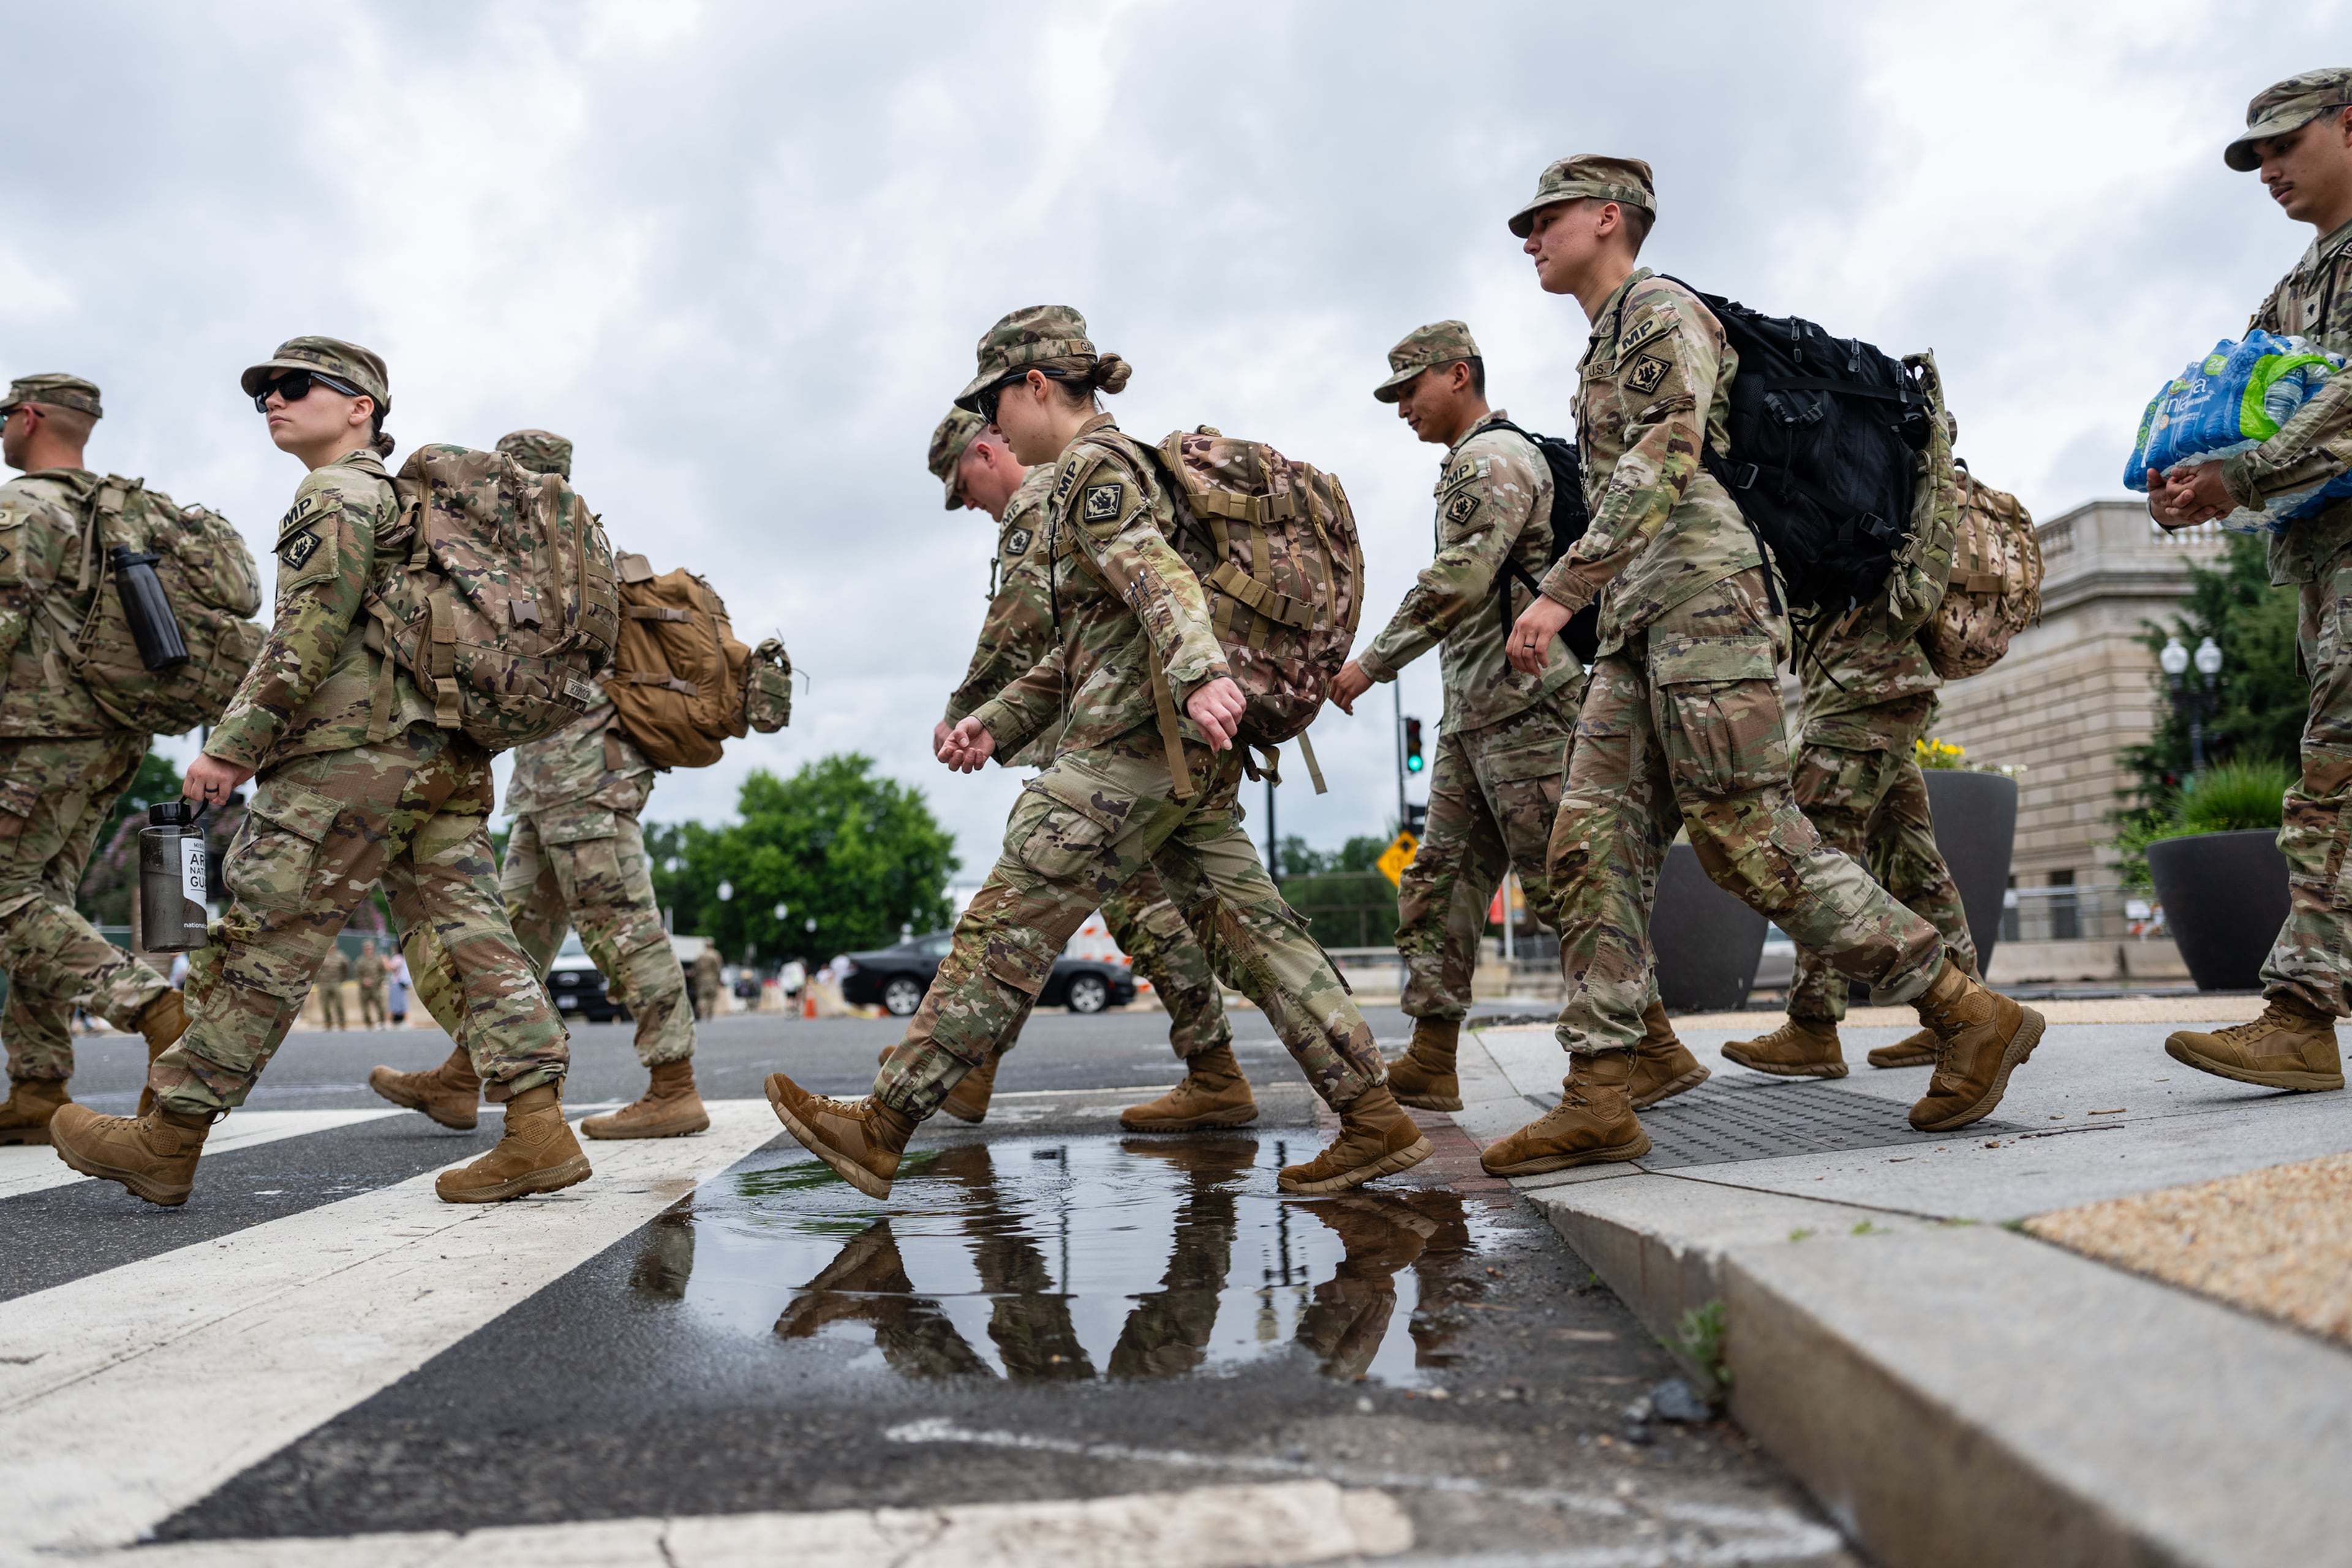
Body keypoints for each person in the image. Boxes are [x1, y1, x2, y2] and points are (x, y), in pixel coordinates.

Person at [766, 306, 1422, 1200]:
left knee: (1003, 926)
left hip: (1126, 754)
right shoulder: (1109, 469)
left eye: (997, 404)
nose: (992, 427)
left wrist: (1197, 671)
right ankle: (1375, 1117)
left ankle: (881, 1128)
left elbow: (1157, 573)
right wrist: (995, 720)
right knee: (1260, 936)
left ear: (1038, 386)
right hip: (1176, 757)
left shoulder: (1092, 468)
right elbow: (1081, 650)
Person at [1486, 157, 2045, 1175]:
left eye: (1546, 218)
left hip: (1705, 605)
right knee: (1586, 843)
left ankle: (1966, 1011)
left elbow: (1666, 452)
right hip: (1640, 620)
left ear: (1609, 219)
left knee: (1751, 837)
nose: (1528, 235)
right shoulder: (1605, 338)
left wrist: (1562, 588)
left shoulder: (1659, 311)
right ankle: (1602, 1090)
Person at [47, 337, 584, 1207]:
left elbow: (307, 632)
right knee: (475, 933)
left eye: (297, 387)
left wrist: (233, 744)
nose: (274, 401)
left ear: (361, 406)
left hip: (353, 759)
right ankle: (537, 1127)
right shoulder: (409, 505)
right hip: (442, 754)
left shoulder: (334, 492)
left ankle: (168, 1136)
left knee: (269, 933)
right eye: (265, 391)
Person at [1330, 321, 1706, 1115]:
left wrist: (1371, 663)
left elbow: (1460, 579)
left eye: (1410, 388)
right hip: (1477, 714)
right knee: (1440, 884)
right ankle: (1433, 1057)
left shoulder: (1491, 460)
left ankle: (1658, 1048)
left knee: (1572, 884)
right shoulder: (1469, 463)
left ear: (1458, 375)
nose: (1402, 407)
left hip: (1529, 711)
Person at [371, 429, 706, 1141]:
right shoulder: (550, 547)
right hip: (545, 782)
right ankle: (465, 1076)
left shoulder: (555, 549)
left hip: (587, 781)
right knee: (514, 929)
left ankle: (673, 1084)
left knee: (622, 923)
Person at [924, 405, 1250, 1130]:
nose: (969, 504)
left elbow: (1018, 622)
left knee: (1061, 909)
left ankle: (1218, 1069)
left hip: (1107, 743)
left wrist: (968, 709)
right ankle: (977, 1069)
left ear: (984, 453)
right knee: (1087, 907)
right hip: (1119, 733)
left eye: (963, 486)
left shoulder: (1038, 497)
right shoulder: (1064, 488)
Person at [2157, 70, 2352, 1093]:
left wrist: (2243, 475)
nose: (2270, 170)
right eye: (2257, 157)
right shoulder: (2288, 294)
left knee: (2333, 777)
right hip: (2323, 563)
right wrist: (2194, 484)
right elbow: (2246, 413)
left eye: (2285, 145)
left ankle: (2301, 1017)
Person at [1720, 442, 1981, 1077]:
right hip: (1878, 686)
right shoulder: (1850, 472)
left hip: (1860, 690)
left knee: (1814, 846)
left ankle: (1814, 1027)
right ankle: (1966, 1008)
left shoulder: (1806, 473)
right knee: (1910, 854)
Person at [0, 373, 190, 1144]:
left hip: (36, 733)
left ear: (31, 416)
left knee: (6, 896)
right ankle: (40, 1083)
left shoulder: (23, 509)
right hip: (115, 730)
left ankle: (154, 1006)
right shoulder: (123, 511)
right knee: (38, 894)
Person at [312, 941, 350, 1030]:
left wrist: (342, 979)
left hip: (336, 983)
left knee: (339, 1004)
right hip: (323, 984)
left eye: (333, 946)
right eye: (330, 946)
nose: (331, 948)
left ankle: (342, 1023)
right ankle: (328, 1023)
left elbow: (346, 968)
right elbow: (315, 968)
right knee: (325, 1005)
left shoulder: (341, 956)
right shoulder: (322, 955)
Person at [353, 937, 387, 1029]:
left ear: (373, 949)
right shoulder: (360, 961)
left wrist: (378, 981)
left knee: (379, 1005)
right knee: (365, 1007)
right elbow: (357, 974)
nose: (368, 950)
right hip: (364, 989)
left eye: (370, 948)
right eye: (366, 948)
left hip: (376, 987)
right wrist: (363, 981)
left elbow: (383, 973)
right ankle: (368, 1024)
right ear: (364, 949)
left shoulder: (378, 960)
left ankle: (382, 1022)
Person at [691, 943, 724, 1022]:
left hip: (701, 979)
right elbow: (718, 969)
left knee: (702, 997)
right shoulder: (716, 955)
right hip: (712, 979)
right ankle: (709, 1015)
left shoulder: (700, 956)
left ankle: (702, 1011)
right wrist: (719, 980)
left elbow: (696, 969)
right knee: (711, 997)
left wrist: (695, 979)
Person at [386, 949, 410, 1025]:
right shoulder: (403, 958)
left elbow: (391, 968)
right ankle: (407, 1021)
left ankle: (388, 1022)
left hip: (397, 984)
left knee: (394, 1004)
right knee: (402, 1003)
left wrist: (385, 960)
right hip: (401, 984)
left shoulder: (397, 957)